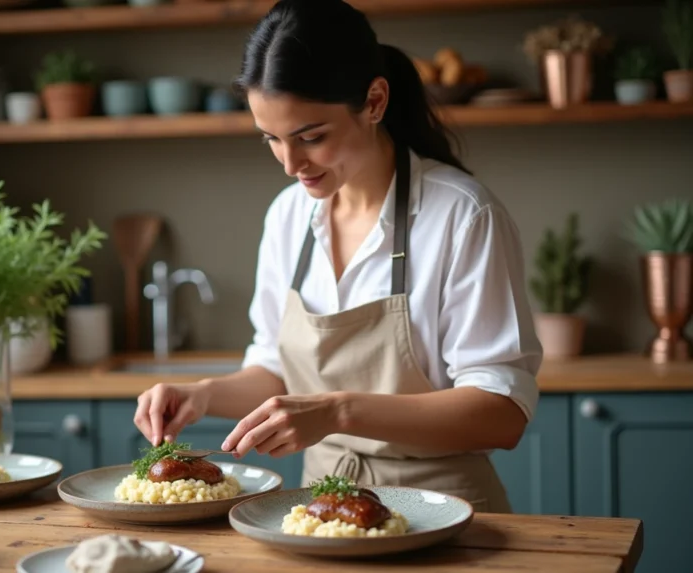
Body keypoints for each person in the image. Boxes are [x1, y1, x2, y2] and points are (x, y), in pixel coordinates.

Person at [134, 0, 542, 513]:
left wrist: (338, 411)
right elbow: (276, 372)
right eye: (272, 140)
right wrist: (203, 395)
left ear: (374, 101)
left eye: (311, 137)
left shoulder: (462, 216)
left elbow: (501, 415)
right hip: (318, 513)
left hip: (446, 514)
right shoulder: (289, 216)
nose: (290, 164)